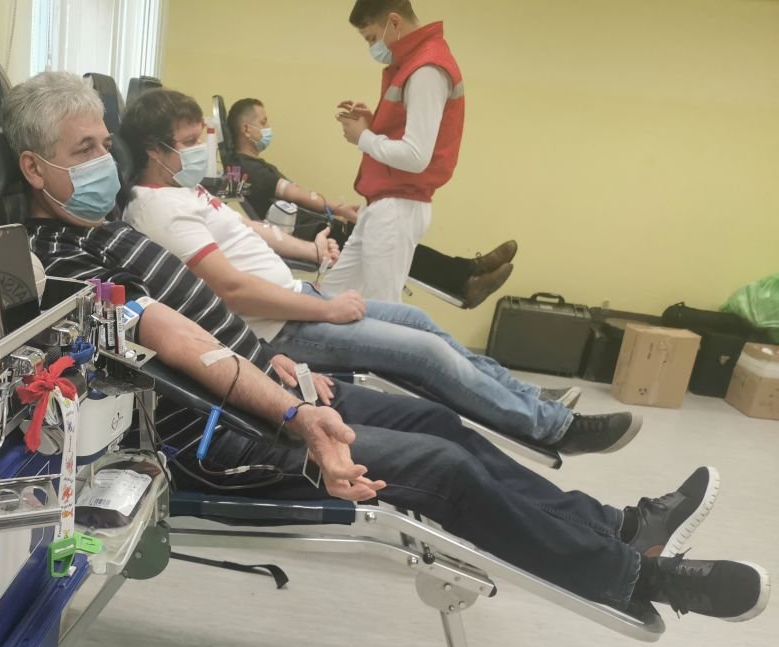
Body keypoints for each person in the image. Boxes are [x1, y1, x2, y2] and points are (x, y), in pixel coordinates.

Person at [0, 70, 768, 623]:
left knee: (437, 422)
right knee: (442, 470)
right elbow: (181, 342)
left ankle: (617, 524)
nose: (104, 160)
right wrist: (295, 414)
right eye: (84, 147)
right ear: (35, 168)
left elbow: (209, 323)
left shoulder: (103, 228)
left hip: (270, 387)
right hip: (219, 440)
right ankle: (637, 576)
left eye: (105, 142)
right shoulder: (58, 262)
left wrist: (277, 362)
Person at [118, 87, 630, 454]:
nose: (201, 148)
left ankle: (531, 400)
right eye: (190, 141)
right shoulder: (158, 209)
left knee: (423, 323)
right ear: (155, 151)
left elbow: (251, 231)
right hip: (280, 328)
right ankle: (553, 429)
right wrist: (327, 308)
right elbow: (232, 291)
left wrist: (311, 252)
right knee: (426, 353)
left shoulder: (184, 189)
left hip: (298, 298)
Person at [225, 96, 514, 309]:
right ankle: (465, 277)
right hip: (313, 235)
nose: (268, 128)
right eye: (263, 122)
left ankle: (469, 271)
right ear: (246, 129)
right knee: (394, 243)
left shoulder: (250, 166)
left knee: (396, 245)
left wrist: (337, 211)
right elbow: (297, 195)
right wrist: (338, 209)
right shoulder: (248, 168)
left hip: (317, 227)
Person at [327, 0, 465, 305]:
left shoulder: (426, 68)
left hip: (398, 205)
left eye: (372, 38)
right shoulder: (412, 63)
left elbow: (416, 157)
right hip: (384, 203)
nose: (372, 48)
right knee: (330, 298)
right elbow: (405, 133)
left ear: (394, 21)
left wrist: (363, 137)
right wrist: (372, 125)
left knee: (383, 311)